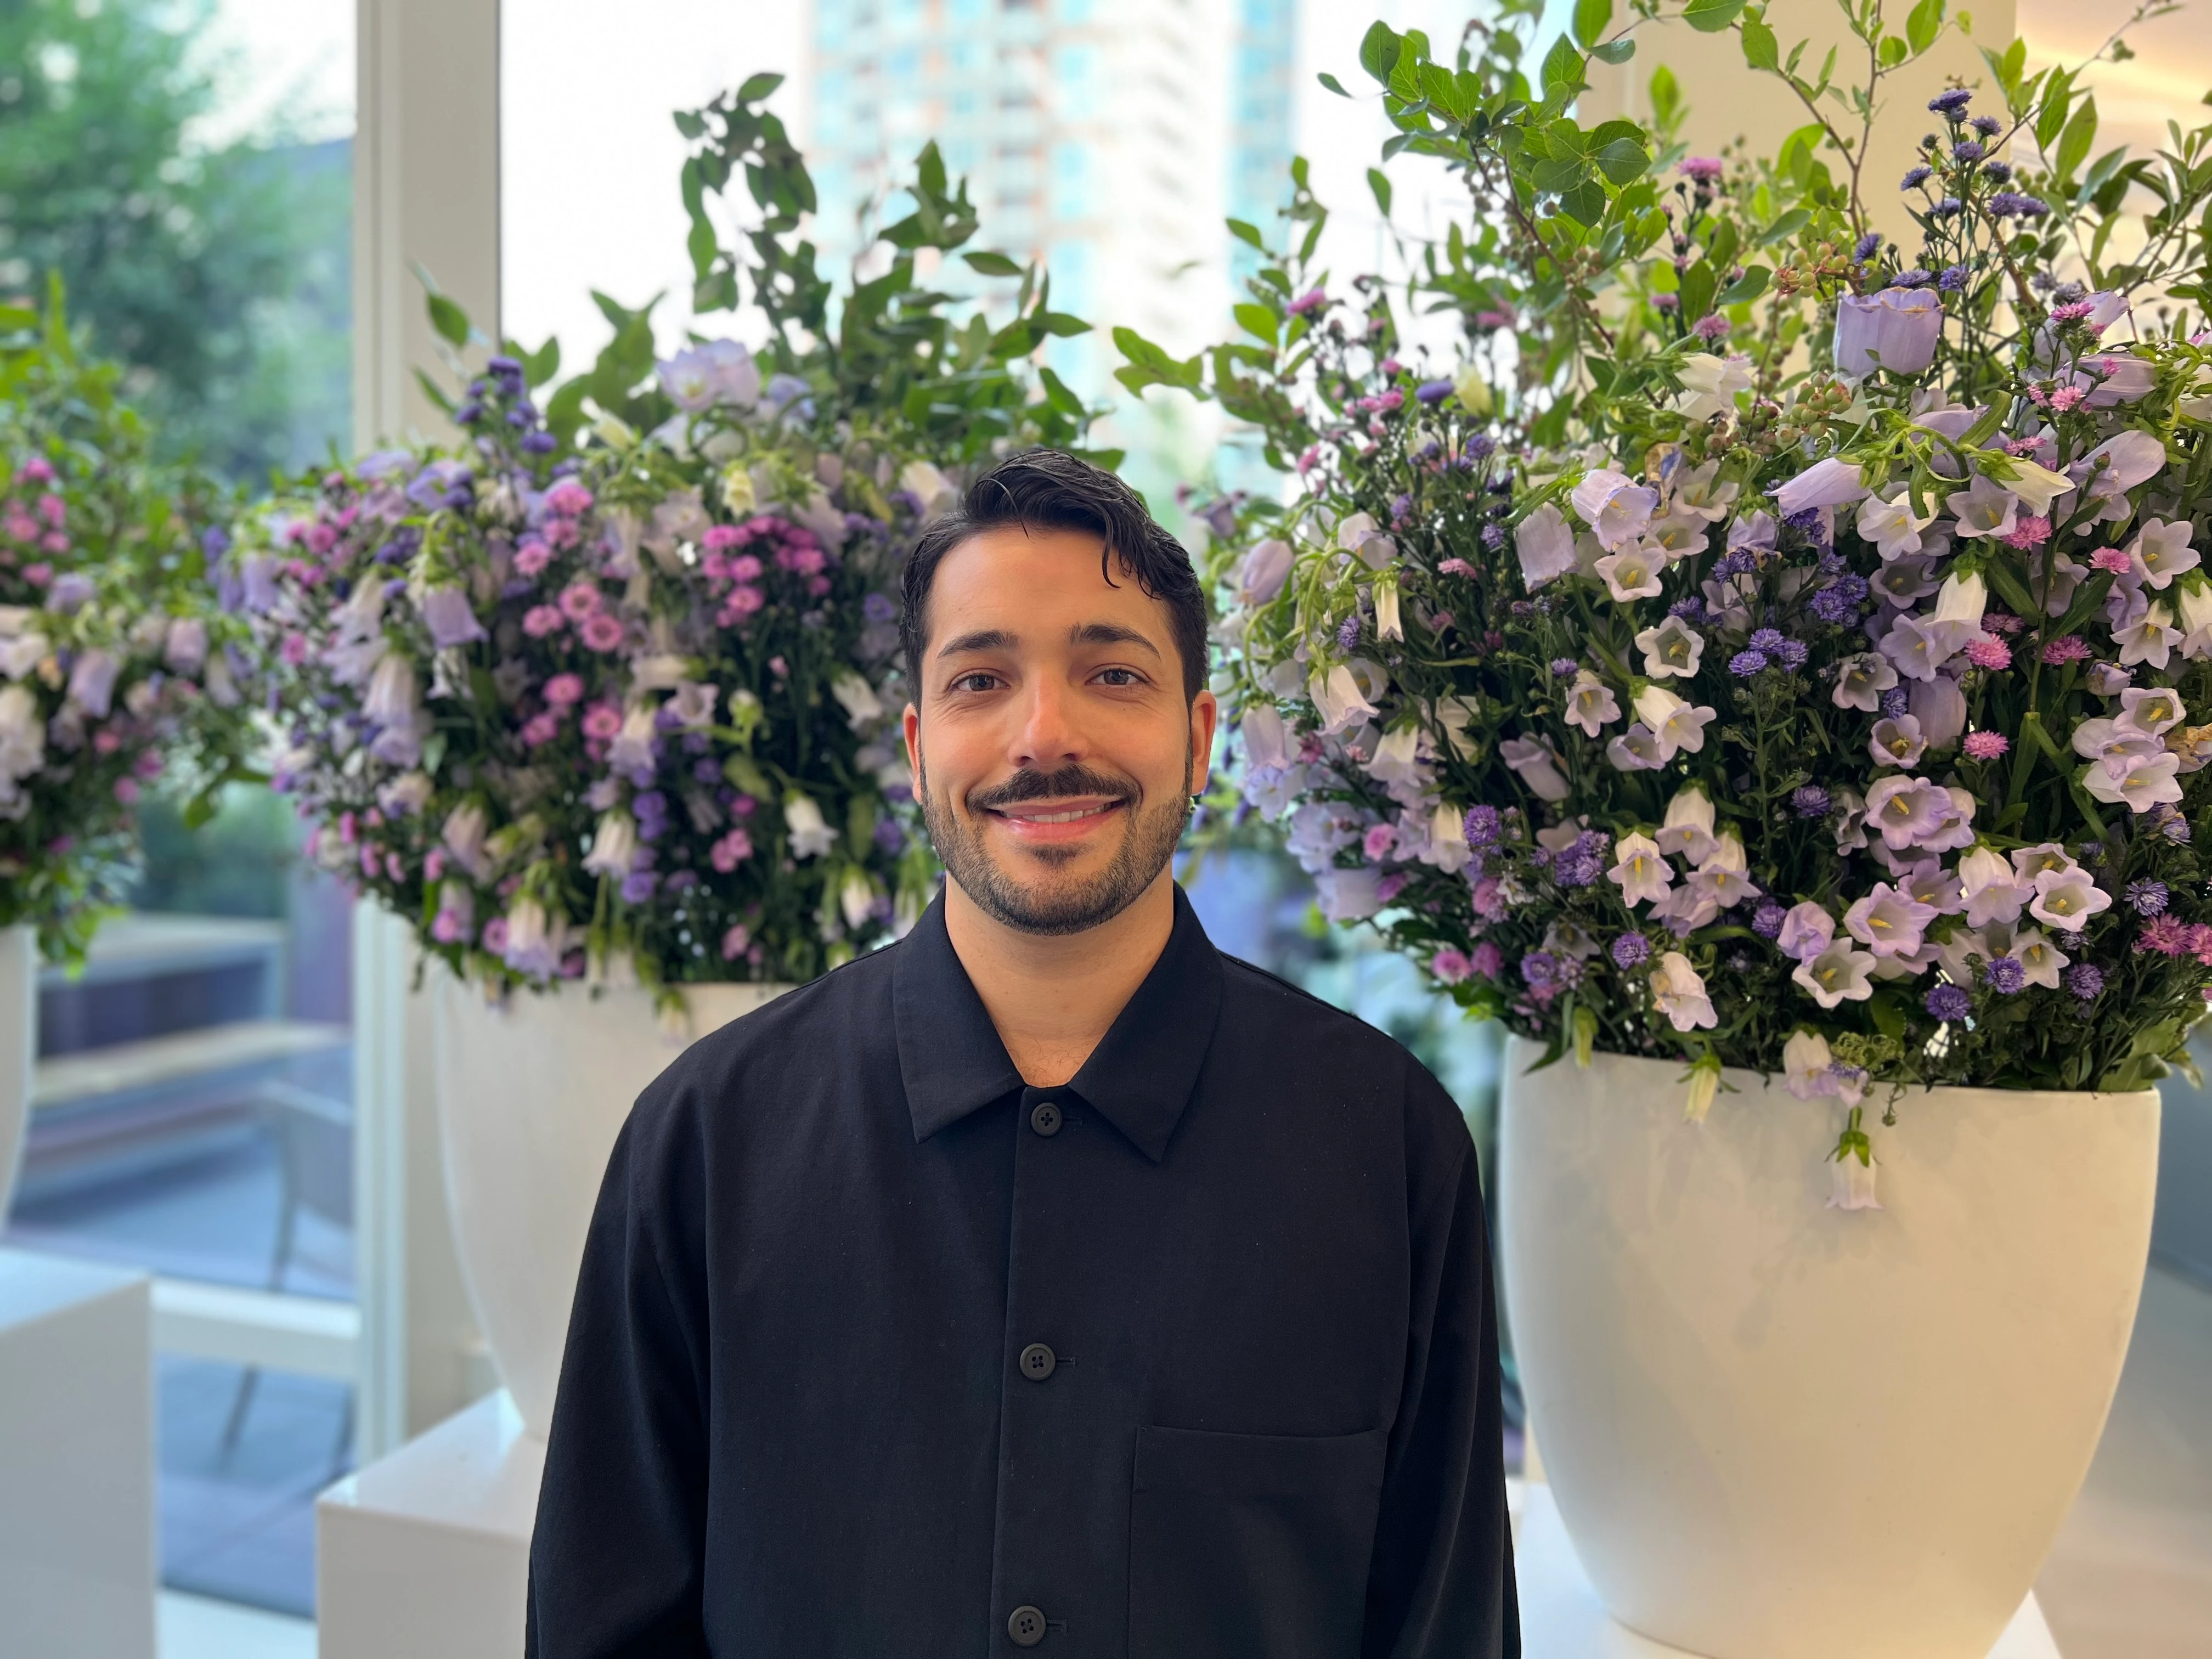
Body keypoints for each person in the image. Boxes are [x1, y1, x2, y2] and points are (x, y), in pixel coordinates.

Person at [526, 448, 1519, 1657]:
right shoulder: (705, 1140)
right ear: (916, 746)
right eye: (981, 679)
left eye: (1111, 672)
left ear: (1199, 738)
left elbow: (1445, 1627)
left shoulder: (1384, 1146)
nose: (1043, 735)